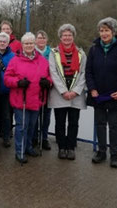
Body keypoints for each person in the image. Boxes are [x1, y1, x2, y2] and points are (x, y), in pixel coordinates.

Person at [85, 17, 117, 168]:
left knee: (114, 125)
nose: (104, 33)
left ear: (113, 31)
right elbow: (88, 71)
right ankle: (101, 152)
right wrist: (92, 89)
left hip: (115, 95)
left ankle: (115, 155)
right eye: (101, 30)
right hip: (97, 95)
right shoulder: (93, 49)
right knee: (99, 124)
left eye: (107, 30)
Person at [4, 32, 52, 163]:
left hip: (36, 99)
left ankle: (28, 146)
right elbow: (7, 79)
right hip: (21, 100)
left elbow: (49, 76)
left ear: (34, 44)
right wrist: (18, 83)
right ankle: (19, 150)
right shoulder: (15, 60)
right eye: (26, 43)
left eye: (31, 43)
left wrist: (47, 82)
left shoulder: (42, 60)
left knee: (32, 126)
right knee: (21, 126)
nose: (29, 45)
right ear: (22, 45)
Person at [48, 24, 87, 160]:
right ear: (60, 36)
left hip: (76, 95)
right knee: (60, 122)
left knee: (74, 122)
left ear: (73, 36)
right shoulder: (54, 53)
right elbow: (53, 72)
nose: (67, 37)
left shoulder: (82, 54)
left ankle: (71, 147)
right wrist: (64, 91)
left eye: (69, 35)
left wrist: (75, 91)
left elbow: (83, 74)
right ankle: (61, 147)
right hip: (59, 94)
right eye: (64, 35)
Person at [0, 32, 15, 148]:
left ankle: (6, 137)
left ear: (8, 43)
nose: (2, 43)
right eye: (0, 41)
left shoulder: (13, 57)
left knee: (6, 115)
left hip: (7, 91)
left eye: (4, 41)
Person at [33, 30, 52, 150]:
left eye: (43, 38)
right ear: (35, 40)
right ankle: (34, 137)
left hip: (47, 89)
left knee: (46, 116)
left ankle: (44, 138)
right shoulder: (31, 52)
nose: (41, 40)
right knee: (34, 115)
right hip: (34, 89)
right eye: (39, 38)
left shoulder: (52, 53)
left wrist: (49, 82)